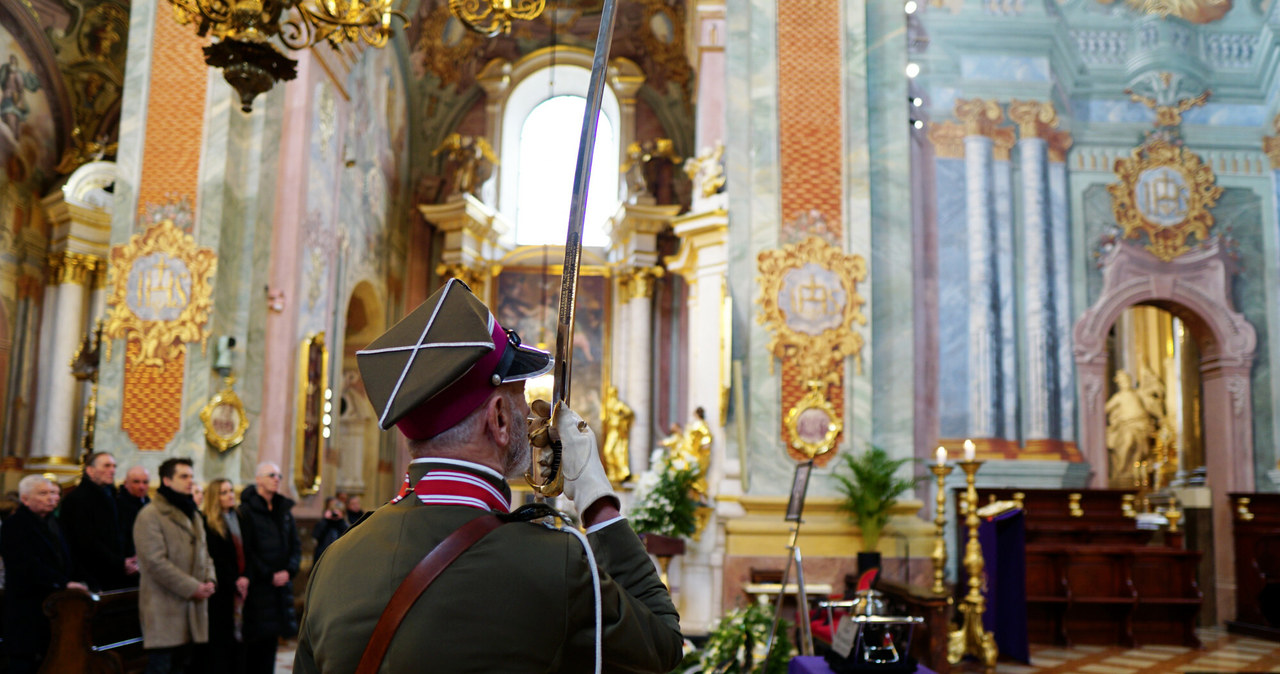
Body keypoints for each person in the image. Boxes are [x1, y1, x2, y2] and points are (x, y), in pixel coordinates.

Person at [295, 278, 682, 673]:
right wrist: (597, 500)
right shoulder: (556, 562)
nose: (530, 410)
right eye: (520, 395)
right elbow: (663, 645)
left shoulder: (335, 560)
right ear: (498, 418)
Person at [134, 458, 216, 673]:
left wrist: (209, 579)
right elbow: (154, 562)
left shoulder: (192, 514)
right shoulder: (150, 515)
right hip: (164, 607)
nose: (190, 481)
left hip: (192, 608)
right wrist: (193, 587)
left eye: (191, 476)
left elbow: (205, 553)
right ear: (167, 481)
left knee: (184, 666)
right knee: (161, 667)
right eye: (183, 476)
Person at [0, 475, 89, 674]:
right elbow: (27, 566)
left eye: (54, 493)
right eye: (43, 493)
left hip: (53, 606)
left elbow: (68, 558)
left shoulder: (54, 523)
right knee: (24, 662)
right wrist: (63, 583)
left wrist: (81, 580)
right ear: (25, 499)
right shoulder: (14, 526)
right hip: (27, 607)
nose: (52, 498)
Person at [239, 461, 301, 673]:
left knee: (271, 645)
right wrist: (268, 574)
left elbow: (295, 545)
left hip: (280, 588)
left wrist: (289, 571)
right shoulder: (246, 510)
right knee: (255, 646)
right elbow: (247, 550)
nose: (277, 479)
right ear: (258, 479)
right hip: (259, 587)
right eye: (271, 475)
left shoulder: (283, 509)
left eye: (279, 476)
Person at [61, 451, 136, 590]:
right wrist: (119, 563)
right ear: (90, 470)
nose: (112, 470)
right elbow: (85, 541)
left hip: (116, 569)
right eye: (106, 466)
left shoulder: (112, 495)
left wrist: (128, 560)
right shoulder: (77, 499)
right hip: (92, 572)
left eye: (114, 466)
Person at [199, 478, 248, 674]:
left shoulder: (240, 518)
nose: (230, 495)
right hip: (221, 591)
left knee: (239, 642)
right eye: (224, 492)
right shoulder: (208, 522)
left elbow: (249, 551)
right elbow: (216, 558)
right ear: (214, 497)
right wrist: (234, 581)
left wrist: (246, 577)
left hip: (242, 587)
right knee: (221, 644)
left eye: (230, 491)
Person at [118, 465, 151, 564]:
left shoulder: (149, 504)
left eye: (145, 482)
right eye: (136, 482)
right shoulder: (117, 505)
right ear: (126, 483)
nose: (141, 486)